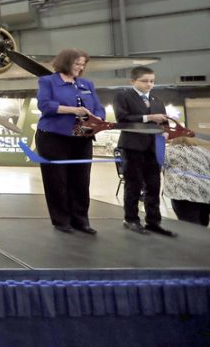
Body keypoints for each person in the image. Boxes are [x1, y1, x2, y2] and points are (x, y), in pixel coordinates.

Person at [35, 48, 105, 234]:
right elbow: (45, 105)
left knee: (81, 180)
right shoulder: (48, 81)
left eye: (83, 65)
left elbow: (98, 107)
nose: (80, 68)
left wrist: (98, 120)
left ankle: (81, 219)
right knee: (57, 180)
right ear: (66, 62)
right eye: (77, 64)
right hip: (53, 136)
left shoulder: (86, 84)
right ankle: (61, 220)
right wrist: (73, 110)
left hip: (82, 137)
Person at [114, 66, 176, 237]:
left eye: (152, 81)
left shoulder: (157, 100)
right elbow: (122, 119)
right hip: (132, 146)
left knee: (154, 185)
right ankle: (131, 219)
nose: (149, 85)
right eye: (144, 81)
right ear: (133, 81)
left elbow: (164, 122)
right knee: (133, 184)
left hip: (153, 147)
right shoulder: (123, 96)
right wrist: (148, 118)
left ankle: (153, 221)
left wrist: (166, 132)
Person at [163, 137, 210, 227]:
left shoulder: (170, 150)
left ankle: (195, 240)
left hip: (183, 193)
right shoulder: (204, 152)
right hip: (206, 192)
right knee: (203, 222)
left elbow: (156, 165)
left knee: (190, 224)